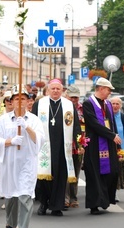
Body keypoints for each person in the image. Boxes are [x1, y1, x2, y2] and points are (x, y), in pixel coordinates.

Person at [0, 85, 45, 228]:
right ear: (11, 102)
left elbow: (40, 140)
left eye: (23, 99)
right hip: (10, 164)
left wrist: (27, 127)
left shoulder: (34, 120)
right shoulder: (4, 119)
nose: (20, 102)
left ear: (28, 101)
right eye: (16, 99)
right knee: (11, 197)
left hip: (27, 164)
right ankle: (10, 223)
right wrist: (10, 141)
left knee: (25, 196)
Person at [31, 78, 81, 216]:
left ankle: (57, 206)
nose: (55, 91)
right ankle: (44, 203)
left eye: (58, 89)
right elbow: (33, 123)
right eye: (52, 88)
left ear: (62, 90)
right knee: (43, 178)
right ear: (48, 90)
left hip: (62, 147)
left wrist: (79, 142)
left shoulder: (68, 105)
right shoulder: (39, 104)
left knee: (60, 176)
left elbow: (76, 125)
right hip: (44, 146)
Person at [83, 78, 121, 215]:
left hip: (109, 143)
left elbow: (111, 123)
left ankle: (105, 200)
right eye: (108, 90)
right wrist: (111, 135)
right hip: (94, 144)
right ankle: (94, 204)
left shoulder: (108, 104)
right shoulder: (88, 104)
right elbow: (93, 124)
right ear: (100, 89)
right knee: (94, 174)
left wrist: (115, 137)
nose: (109, 93)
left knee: (112, 171)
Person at [64, 85, 85, 209]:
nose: (74, 100)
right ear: (67, 96)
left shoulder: (82, 109)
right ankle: (65, 198)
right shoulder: (63, 107)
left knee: (75, 173)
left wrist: (82, 144)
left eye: (76, 97)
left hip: (79, 144)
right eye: (71, 97)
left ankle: (73, 197)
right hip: (66, 145)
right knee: (66, 173)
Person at [110, 96, 124, 197]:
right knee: (109, 170)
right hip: (108, 148)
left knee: (117, 171)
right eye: (113, 103)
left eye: (117, 104)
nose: (115, 106)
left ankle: (114, 192)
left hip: (120, 149)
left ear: (120, 105)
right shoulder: (106, 116)